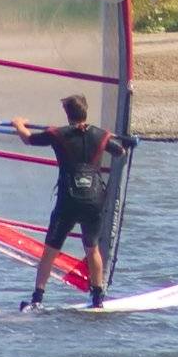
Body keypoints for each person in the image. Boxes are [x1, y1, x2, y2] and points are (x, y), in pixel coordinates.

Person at [13, 93, 136, 310]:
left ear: (67, 114)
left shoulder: (57, 134)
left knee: (50, 250)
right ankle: (97, 297)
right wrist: (127, 142)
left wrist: (18, 123)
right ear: (85, 111)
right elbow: (120, 152)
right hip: (94, 200)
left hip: (68, 201)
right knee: (92, 248)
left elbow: (28, 138)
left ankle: (37, 299)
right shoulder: (102, 135)